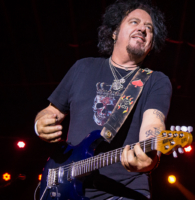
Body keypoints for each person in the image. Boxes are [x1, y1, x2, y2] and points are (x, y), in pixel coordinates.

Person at [34, 0, 171, 199]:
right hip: (64, 186)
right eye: (134, 22)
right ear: (114, 32)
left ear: (151, 46)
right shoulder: (83, 68)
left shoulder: (155, 80)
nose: (143, 28)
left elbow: (154, 123)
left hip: (123, 191)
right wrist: (40, 124)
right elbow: (51, 111)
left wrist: (149, 157)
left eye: (149, 28)